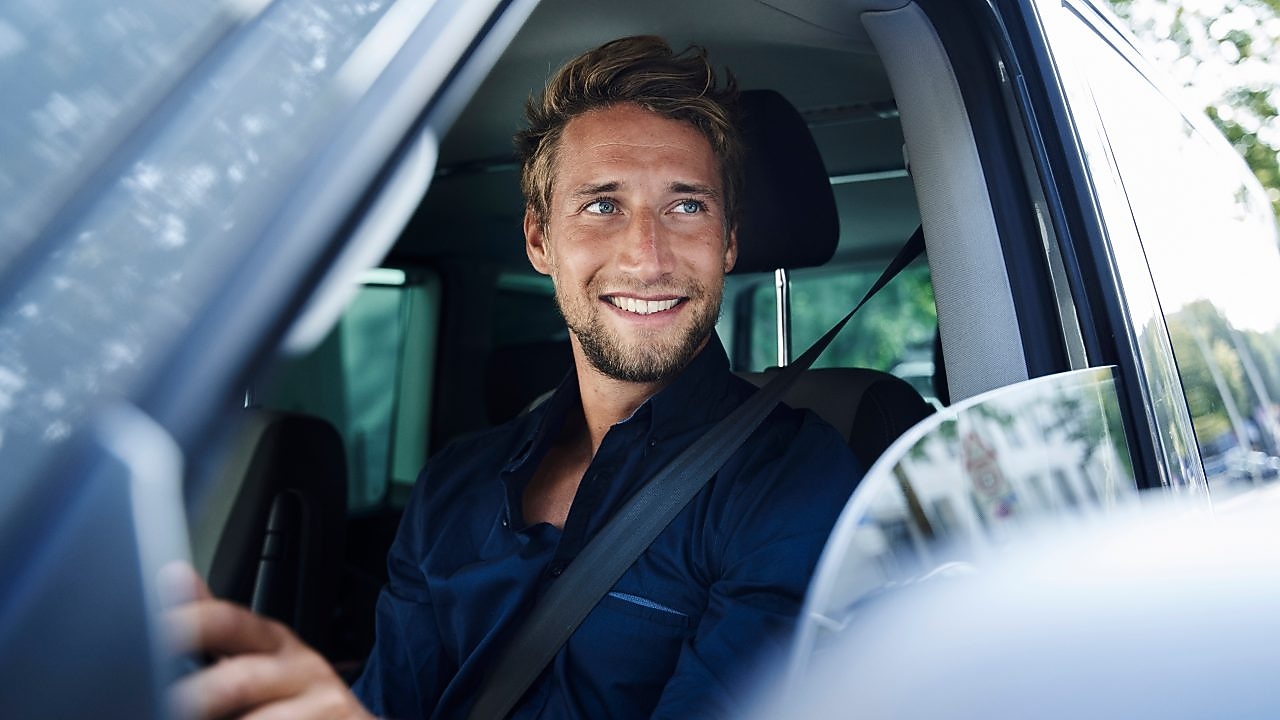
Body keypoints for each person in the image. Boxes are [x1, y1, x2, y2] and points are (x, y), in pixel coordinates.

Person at [169, 35, 862, 720]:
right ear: (539, 241)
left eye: (687, 207)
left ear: (729, 240)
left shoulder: (791, 477)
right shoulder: (453, 487)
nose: (647, 257)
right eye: (602, 205)